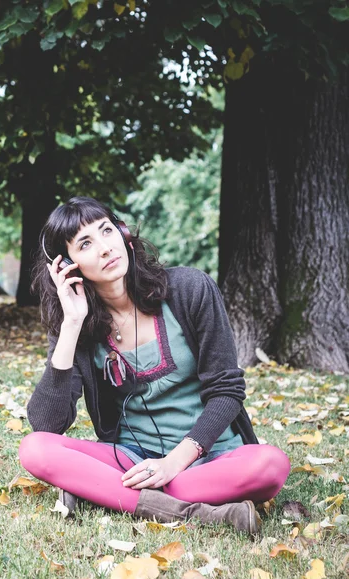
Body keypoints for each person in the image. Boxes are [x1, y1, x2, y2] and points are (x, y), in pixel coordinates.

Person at [18, 196, 291, 535]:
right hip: (132, 459)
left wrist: (174, 464)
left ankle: (104, 492)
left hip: (211, 456)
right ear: (67, 265)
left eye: (106, 231)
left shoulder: (190, 289)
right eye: (85, 244)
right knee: (34, 450)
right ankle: (197, 512)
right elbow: (46, 424)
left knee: (270, 465)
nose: (104, 248)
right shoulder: (75, 325)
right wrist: (72, 323)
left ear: (123, 234)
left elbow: (227, 391)